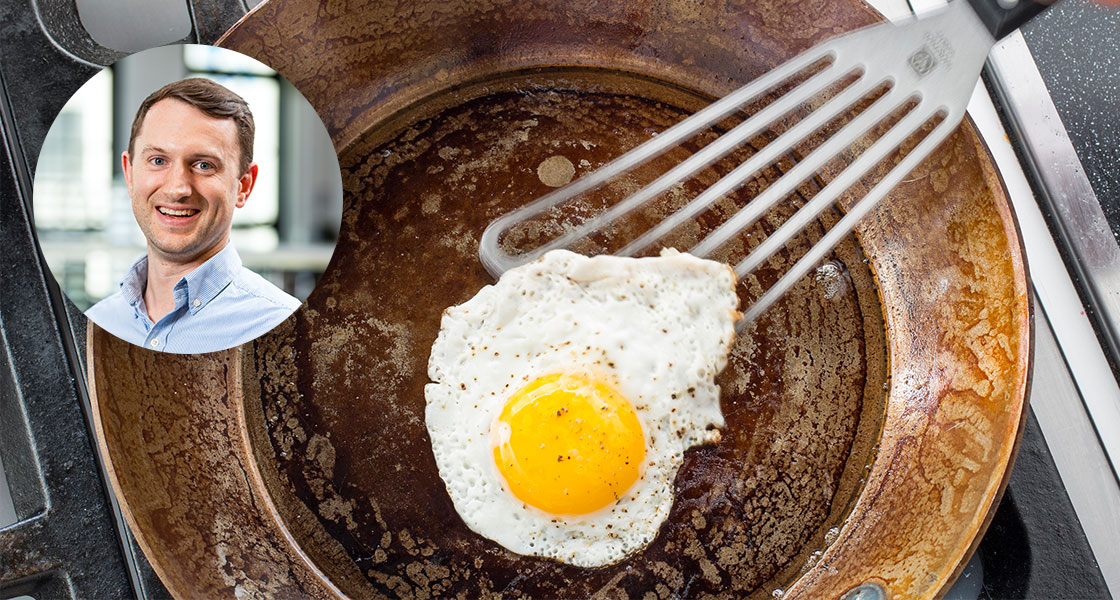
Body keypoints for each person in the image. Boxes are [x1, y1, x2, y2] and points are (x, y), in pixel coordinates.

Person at [86, 77, 299, 353]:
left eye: (203, 165)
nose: (177, 189)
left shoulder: (286, 331)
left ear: (243, 186)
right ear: (129, 173)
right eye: (158, 161)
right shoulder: (98, 323)